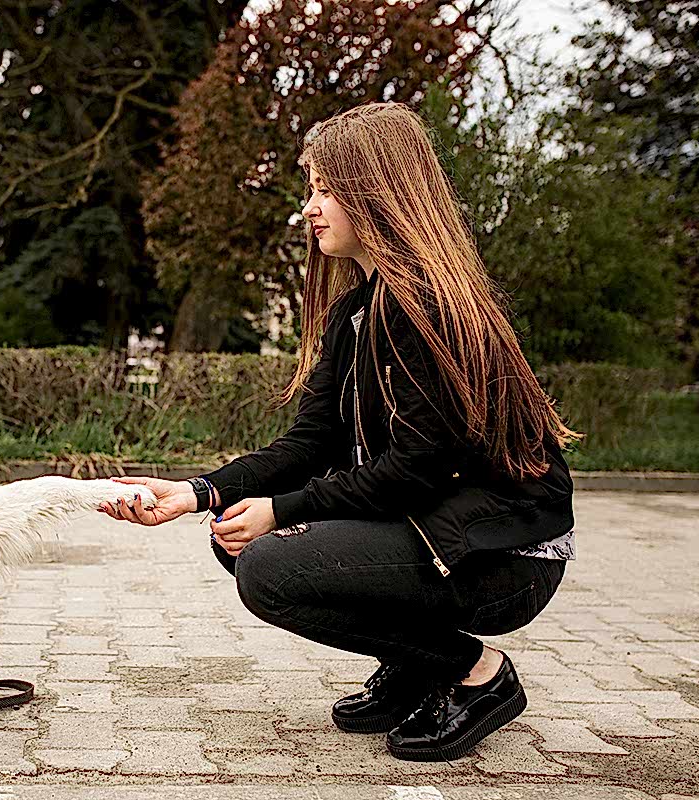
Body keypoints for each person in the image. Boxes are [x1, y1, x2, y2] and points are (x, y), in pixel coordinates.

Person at [99, 102, 579, 762]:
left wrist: (283, 512)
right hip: (441, 531)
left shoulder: (427, 305)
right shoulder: (356, 309)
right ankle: (416, 667)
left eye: (325, 190)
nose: (310, 208)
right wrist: (199, 492)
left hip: (506, 555)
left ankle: (474, 673)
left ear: (374, 192)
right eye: (311, 190)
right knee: (238, 538)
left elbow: (418, 467)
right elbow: (309, 444)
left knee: (267, 563)